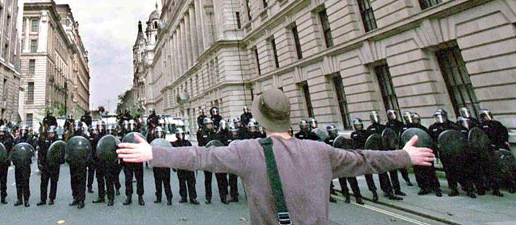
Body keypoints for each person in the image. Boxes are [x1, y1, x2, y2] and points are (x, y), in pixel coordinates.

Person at [117, 87, 436, 225]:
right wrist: (405, 156)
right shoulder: (321, 151)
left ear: (260, 121)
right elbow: (366, 160)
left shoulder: (247, 151)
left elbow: (201, 157)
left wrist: (153, 152)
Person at [404, 113, 442, 197]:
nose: (415, 121)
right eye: (414, 119)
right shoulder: (408, 130)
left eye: (416, 119)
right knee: (419, 172)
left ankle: (436, 188)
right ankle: (423, 187)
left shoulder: (423, 129)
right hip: (416, 153)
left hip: (426, 152)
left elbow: (430, 140)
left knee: (430, 171)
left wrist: (433, 152)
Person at [367, 111, 402, 200]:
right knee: (382, 173)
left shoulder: (384, 127)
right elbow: (369, 142)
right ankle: (387, 190)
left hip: (386, 150)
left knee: (393, 171)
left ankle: (397, 189)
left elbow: (389, 137)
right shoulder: (369, 129)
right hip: (377, 153)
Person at [325, 124, 363, 205]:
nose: (334, 133)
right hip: (337, 163)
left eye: (335, 131)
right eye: (332, 131)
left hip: (346, 161)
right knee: (342, 181)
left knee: (352, 180)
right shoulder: (327, 140)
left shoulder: (342, 139)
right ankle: (346, 196)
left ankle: (358, 196)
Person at [349, 118, 379, 202]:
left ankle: (374, 192)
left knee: (368, 175)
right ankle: (357, 195)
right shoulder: (353, 134)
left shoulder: (366, 133)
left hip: (365, 155)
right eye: (356, 125)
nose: (358, 127)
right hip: (357, 156)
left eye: (359, 125)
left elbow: (370, 142)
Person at [172, 128, 198, 204]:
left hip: (189, 165)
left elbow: (193, 153)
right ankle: (183, 197)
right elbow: (173, 155)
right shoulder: (174, 144)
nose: (180, 136)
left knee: (191, 182)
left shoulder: (187, 143)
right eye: (178, 134)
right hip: (180, 165)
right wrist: (173, 165)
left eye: (181, 134)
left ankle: (193, 197)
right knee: (182, 182)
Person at [37, 126, 62, 206]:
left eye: (52, 133)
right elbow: (40, 152)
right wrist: (40, 162)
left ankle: (52, 198)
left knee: (53, 182)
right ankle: (43, 199)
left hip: (54, 164)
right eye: (50, 133)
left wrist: (58, 161)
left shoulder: (58, 142)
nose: (51, 134)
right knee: (44, 182)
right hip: (46, 164)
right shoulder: (44, 140)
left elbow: (61, 153)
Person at [13, 125, 33, 207]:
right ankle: (19, 199)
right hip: (18, 163)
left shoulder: (29, 139)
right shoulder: (17, 139)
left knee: (25, 182)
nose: (23, 132)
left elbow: (31, 149)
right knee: (18, 182)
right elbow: (14, 150)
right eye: (22, 130)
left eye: (25, 130)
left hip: (26, 163)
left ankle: (26, 199)